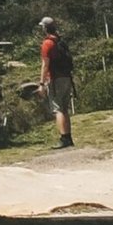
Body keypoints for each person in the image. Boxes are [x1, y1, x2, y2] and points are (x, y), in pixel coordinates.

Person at [39, 16, 74, 148]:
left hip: (55, 79)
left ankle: (64, 138)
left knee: (57, 109)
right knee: (64, 109)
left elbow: (45, 65)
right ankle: (68, 137)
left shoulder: (47, 43)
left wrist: (42, 83)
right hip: (67, 77)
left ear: (45, 28)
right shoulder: (60, 41)